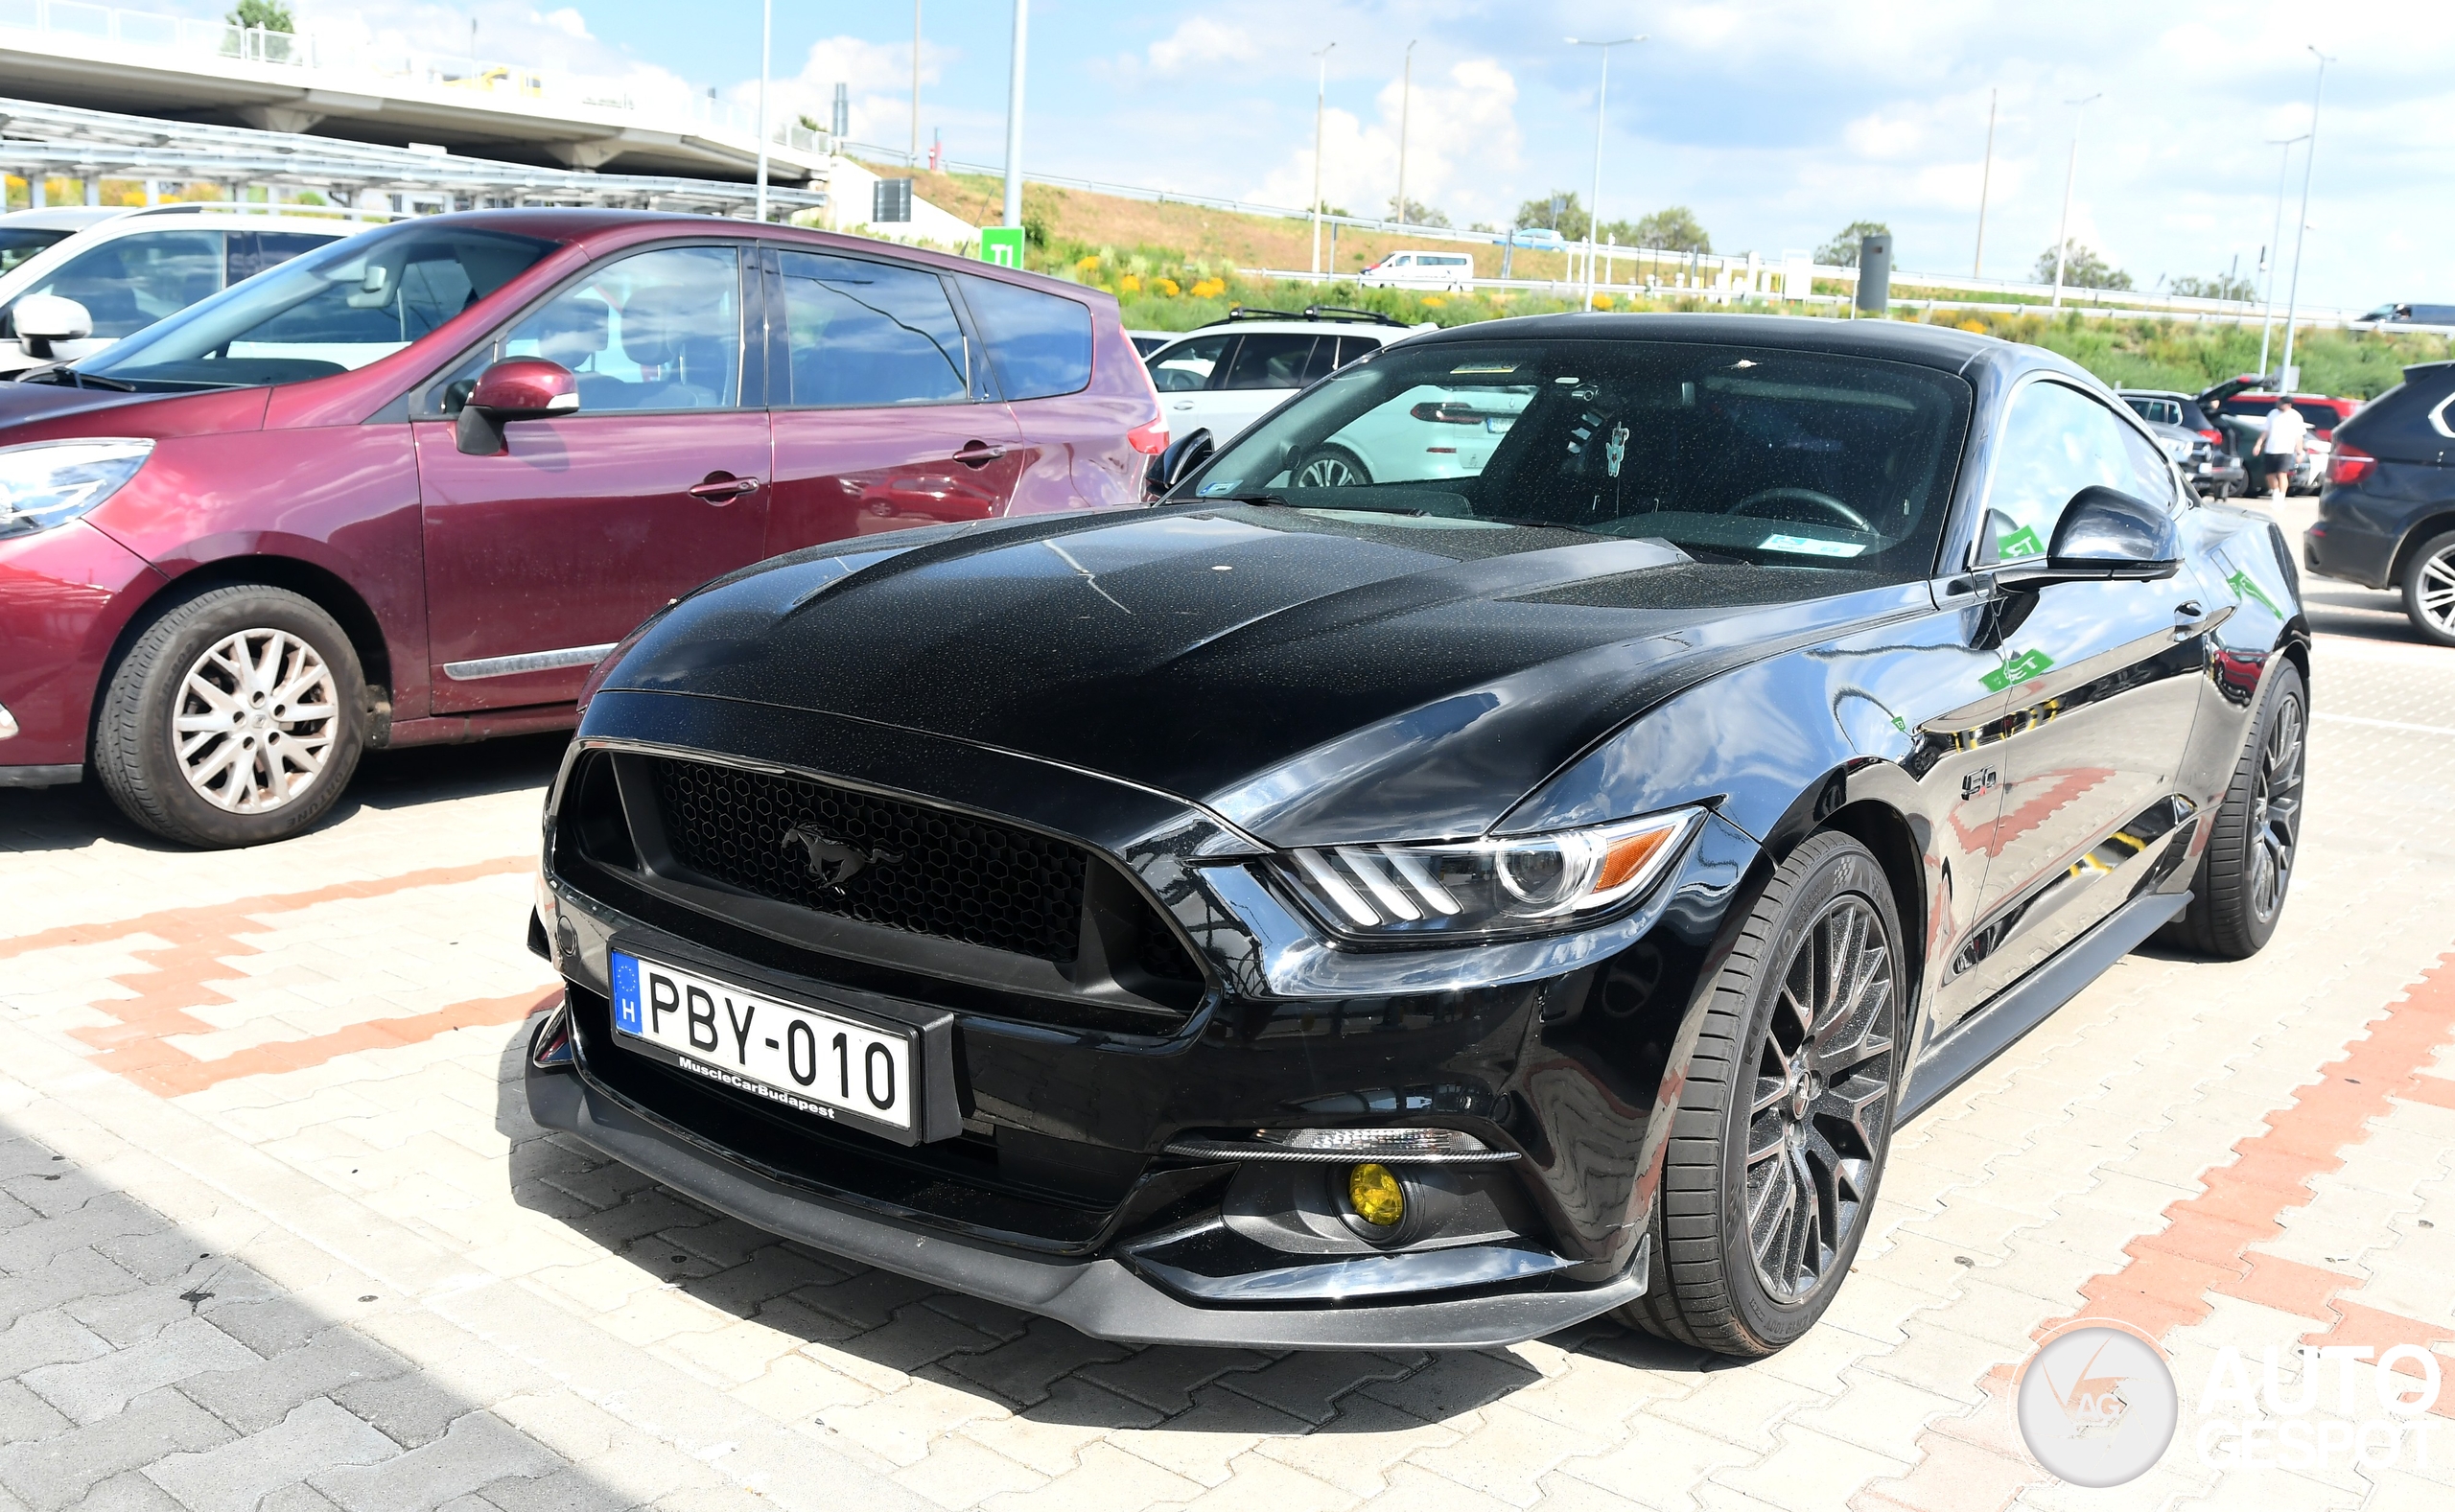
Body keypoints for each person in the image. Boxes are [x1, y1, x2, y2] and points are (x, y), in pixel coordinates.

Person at [2257, 401, 2309, 501]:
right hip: (2271, 449)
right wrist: (2258, 444)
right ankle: (2275, 491)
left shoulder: (2295, 416)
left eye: (2282, 403)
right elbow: (2265, 431)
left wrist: (2299, 452)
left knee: (2282, 473)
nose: (2279, 405)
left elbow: (2299, 436)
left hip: (2286, 449)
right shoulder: (2272, 413)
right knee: (2269, 474)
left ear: (2289, 405)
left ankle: (2281, 495)